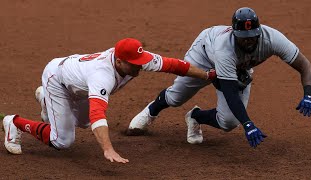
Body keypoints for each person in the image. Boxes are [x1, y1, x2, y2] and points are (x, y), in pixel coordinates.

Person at [3, 38, 217, 163]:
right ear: (119, 60)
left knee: (84, 122)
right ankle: (14, 122)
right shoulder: (102, 75)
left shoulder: (137, 59)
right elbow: (98, 113)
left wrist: (207, 75)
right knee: (63, 141)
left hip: (78, 82)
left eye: (140, 62)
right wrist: (107, 148)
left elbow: (175, 65)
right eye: (134, 64)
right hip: (57, 81)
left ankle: (47, 104)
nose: (139, 67)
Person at [127, 7, 311, 148]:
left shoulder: (273, 39)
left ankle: (195, 116)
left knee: (229, 122)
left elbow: (305, 65)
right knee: (177, 97)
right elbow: (228, 90)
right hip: (204, 56)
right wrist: (248, 124)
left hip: (237, 67)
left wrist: (308, 94)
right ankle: (151, 111)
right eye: (244, 36)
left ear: (259, 31)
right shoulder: (224, 48)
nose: (249, 40)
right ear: (235, 33)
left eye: (253, 36)